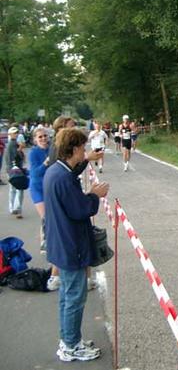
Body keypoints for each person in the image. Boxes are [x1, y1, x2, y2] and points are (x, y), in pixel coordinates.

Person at [44, 128, 109, 362]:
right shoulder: (63, 178)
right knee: (74, 297)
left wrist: (86, 163)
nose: (84, 151)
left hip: (60, 241)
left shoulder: (55, 171)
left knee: (67, 296)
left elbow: (72, 177)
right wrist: (94, 195)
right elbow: (80, 209)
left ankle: (69, 339)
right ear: (73, 149)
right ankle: (71, 345)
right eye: (82, 148)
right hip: (71, 244)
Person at [28, 127, 51, 253]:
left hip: (49, 186)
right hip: (37, 187)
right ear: (35, 140)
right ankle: (45, 242)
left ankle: (46, 239)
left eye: (45, 136)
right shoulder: (33, 153)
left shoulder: (51, 149)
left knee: (50, 215)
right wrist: (45, 163)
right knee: (45, 216)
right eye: (40, 137)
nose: (43, 138)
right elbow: (35, 173)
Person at [6, 126, 25, 218]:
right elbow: (15, 157)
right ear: (10, 134)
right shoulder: (12, 144)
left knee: (13, 189)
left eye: (16, 132)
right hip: (15, 169)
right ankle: (16, 208)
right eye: (14, 133)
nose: (16, 134)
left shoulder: (12, 143)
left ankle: (13, 207)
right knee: (19, 189)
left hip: (11, 169)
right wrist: (20, 149)